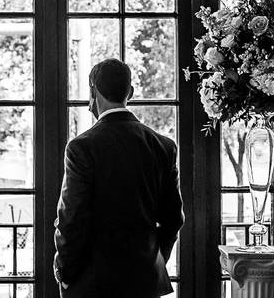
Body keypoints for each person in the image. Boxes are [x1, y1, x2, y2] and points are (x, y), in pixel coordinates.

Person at [53, 58, 184, 298]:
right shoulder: (164, 146)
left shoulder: (81, 147)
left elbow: (72, 218)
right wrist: (154, 260)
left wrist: (65, 273)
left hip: (92, 282)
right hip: (145, 281)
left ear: (93, 91)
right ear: (130, 92)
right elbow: (174, 218)